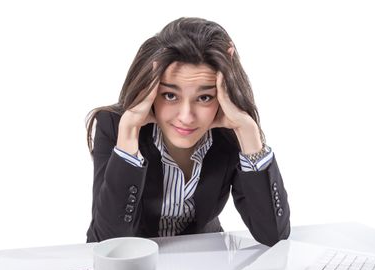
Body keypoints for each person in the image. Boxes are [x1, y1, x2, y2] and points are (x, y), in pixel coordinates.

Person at [85, 17, 290, 246]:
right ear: (150, 90)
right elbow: (107, 243)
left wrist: (249, 132)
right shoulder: (115, 126)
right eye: (170, 95)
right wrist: (129, 134)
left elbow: (274, 236)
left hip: (206, 263)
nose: (186, 116)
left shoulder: (229, 133)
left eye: (204, 97)